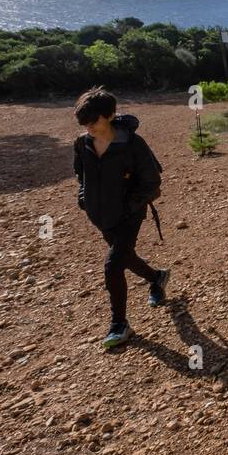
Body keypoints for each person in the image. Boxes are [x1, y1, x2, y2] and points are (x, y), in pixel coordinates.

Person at [72, 87, 170, 350]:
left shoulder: (133, 144)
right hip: (100, 216)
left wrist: (128, 207)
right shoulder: (82, 144)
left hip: (129, 214)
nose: (88, 127)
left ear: (110, 115)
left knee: (113, 265)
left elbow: (152, 182)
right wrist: (84, 199)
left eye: (93, 121)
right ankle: (157, 277)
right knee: (125, 257)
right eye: (84, 123)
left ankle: (119, 324)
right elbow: (81, 175)